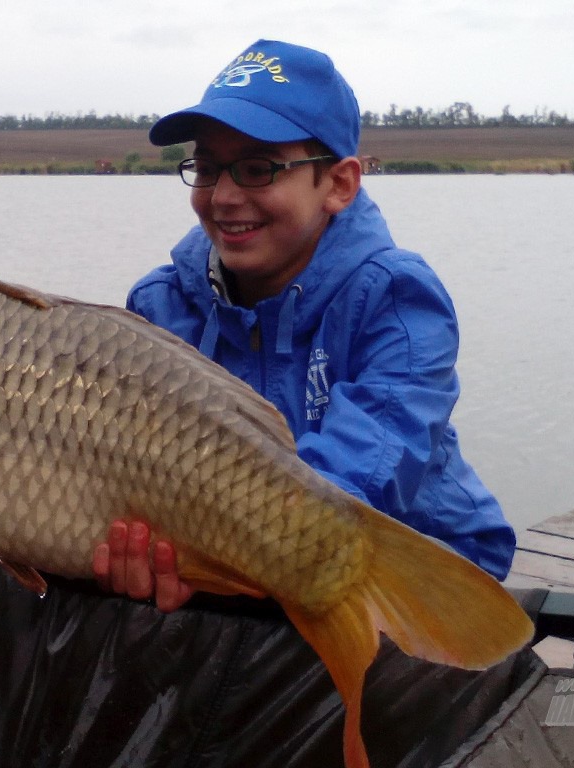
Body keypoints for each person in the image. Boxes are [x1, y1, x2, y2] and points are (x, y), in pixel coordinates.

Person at [91, 39, 515, 612]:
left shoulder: (396, 296)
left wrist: (212, 539)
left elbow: (367, 473)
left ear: (339, 184)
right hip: (240, 571)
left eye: (258, 168)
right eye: (208, 168)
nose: (223, 196)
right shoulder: (161, 307)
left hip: (426, 566)